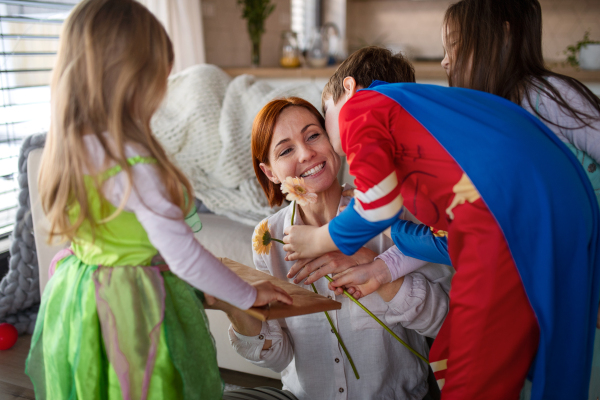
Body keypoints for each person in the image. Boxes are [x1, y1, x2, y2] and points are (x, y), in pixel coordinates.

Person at [281, 45, 600, 400]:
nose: (329, 139)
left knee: (470, 373)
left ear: (349, 89)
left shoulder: (363, 105)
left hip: (508, 217)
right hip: (562, 201)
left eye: (325, 115)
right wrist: (383, 260)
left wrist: (319, 239)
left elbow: (378, 205)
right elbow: (446, 240)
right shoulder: (422, 137)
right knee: (544, 363)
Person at [26, 1, 291, 399]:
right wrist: (249, 294)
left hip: (80, 296)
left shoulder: (70, 149)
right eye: (160, 80)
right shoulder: (134, 166)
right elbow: (184, 256)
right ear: (132, 79)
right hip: (131, 306)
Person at [211, 96, 453, 400]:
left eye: (313, 135)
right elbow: (278, 358)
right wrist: (236, 308)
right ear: (270, 172)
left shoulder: (392, 214)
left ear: (333, 139)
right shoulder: (268, 238)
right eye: (286, 149)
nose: (307, 153)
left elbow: (444, 321)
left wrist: (374, 267)